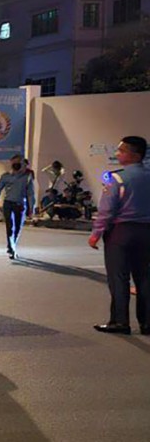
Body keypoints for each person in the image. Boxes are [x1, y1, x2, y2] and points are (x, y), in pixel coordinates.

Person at [88, 136, 150, 335]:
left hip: (121, 233)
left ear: (134, 155)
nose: (117, 154)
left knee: (118, 277)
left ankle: (120, 322)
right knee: (145, 279)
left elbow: (107, 210)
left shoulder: (117, 178)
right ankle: (147, 323)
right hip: (147, 232)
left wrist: (96, 233)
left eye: (121, 151)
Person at [0, 153, 35, 259]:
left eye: (18, 163)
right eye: (13, 164)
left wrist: (31, 208)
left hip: (20, 205)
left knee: (17, 228)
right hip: (8, 203)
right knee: (10, 226)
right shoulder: (6, 176)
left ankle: (12, 244)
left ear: (22, 164)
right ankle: (12, 247)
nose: (15, 166)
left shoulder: (27, 177)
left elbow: (31, 194)